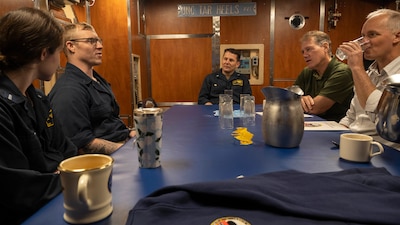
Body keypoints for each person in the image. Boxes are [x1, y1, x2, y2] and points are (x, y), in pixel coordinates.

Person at [0, 8, 77, 224]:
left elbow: (66, 149)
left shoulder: (40, 100)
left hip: (53, 203)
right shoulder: (3, 109)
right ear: (44, 53)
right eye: (58, 53)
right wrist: (77, 179)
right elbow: (16, 187)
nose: (60, 62)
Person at [49, 22, 135, 155]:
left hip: (123, 144)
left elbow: (110, 123)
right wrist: (131, 150)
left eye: (99, 41)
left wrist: (132, 134)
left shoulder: (98, 80)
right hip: (105, 162)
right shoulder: (68, 91)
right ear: (71, 46)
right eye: (91, 41)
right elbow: (82, 145)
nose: (100, 46)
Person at [338, 9, 400, 147]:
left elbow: (383, 119)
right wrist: (335, 133)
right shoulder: (370, 73)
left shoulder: (362, 72)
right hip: (355, 144)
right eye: (362, 36)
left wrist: (357, 68)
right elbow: (351, 117)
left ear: (397, 36)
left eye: (372, 35)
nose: (364, 42)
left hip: (384, 151)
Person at [294, 30, 354, 122]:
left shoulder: (342, 72)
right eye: (303, 52)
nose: (305, 55)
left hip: (336, 127)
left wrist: (296, 101)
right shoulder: (307, 72)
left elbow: (316, 108)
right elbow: (288, 98)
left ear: (325, 47)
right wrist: (300, 99)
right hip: (311, 124)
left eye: (309, 49)